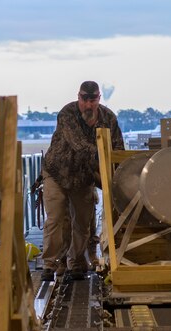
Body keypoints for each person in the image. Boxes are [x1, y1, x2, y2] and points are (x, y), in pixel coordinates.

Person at [41, 81, 124, 281]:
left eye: (92, 100)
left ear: (98, 98)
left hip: (83, 177)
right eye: (84, 99)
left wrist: (118, 175)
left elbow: (118, 149)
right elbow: (79, 145)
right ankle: (49, 264)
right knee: (55, 218)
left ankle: (75, 262)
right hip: (57, 173)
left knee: (83, 222)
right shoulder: (67, 114)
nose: (88, 104)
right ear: (78, 97)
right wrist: (103, 164)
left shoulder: (108, 118)